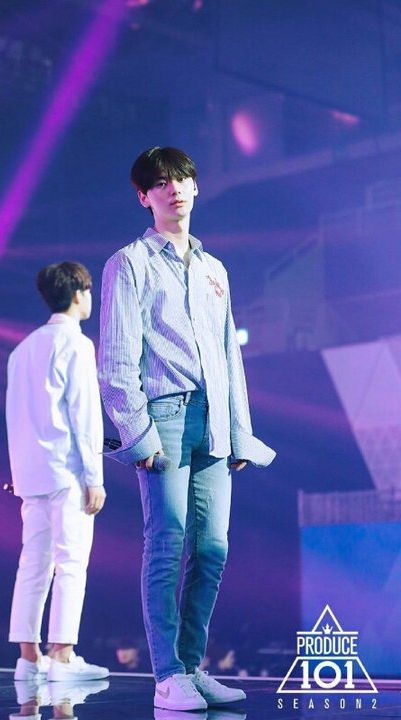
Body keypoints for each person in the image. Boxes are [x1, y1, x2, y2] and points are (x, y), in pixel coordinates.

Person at [98, 146, 276, 711]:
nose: (173, 187)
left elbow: (229, 356)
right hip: (166, 417)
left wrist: (239, 432)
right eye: (160, 182)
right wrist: (138, 433)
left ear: (196, 186)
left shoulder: (213, 268)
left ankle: (193, 668)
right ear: (143, 197)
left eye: (182, 178)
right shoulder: (129, 263)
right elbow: (116, 359)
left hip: (214, 418)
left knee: (214, 549)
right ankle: (167, 675)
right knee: (167, 543)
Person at [6, 261, 109, 683]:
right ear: (79, 293)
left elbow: (14, 416)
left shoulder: (22, 349)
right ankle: (62, 655)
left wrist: (18, 470)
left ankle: (29, 658)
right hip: (66, 472)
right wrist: (95, 478)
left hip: (31, 474)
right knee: (71, 562)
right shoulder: (76, 344)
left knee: (33, 563)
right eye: (89, 290)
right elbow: (85, 416)